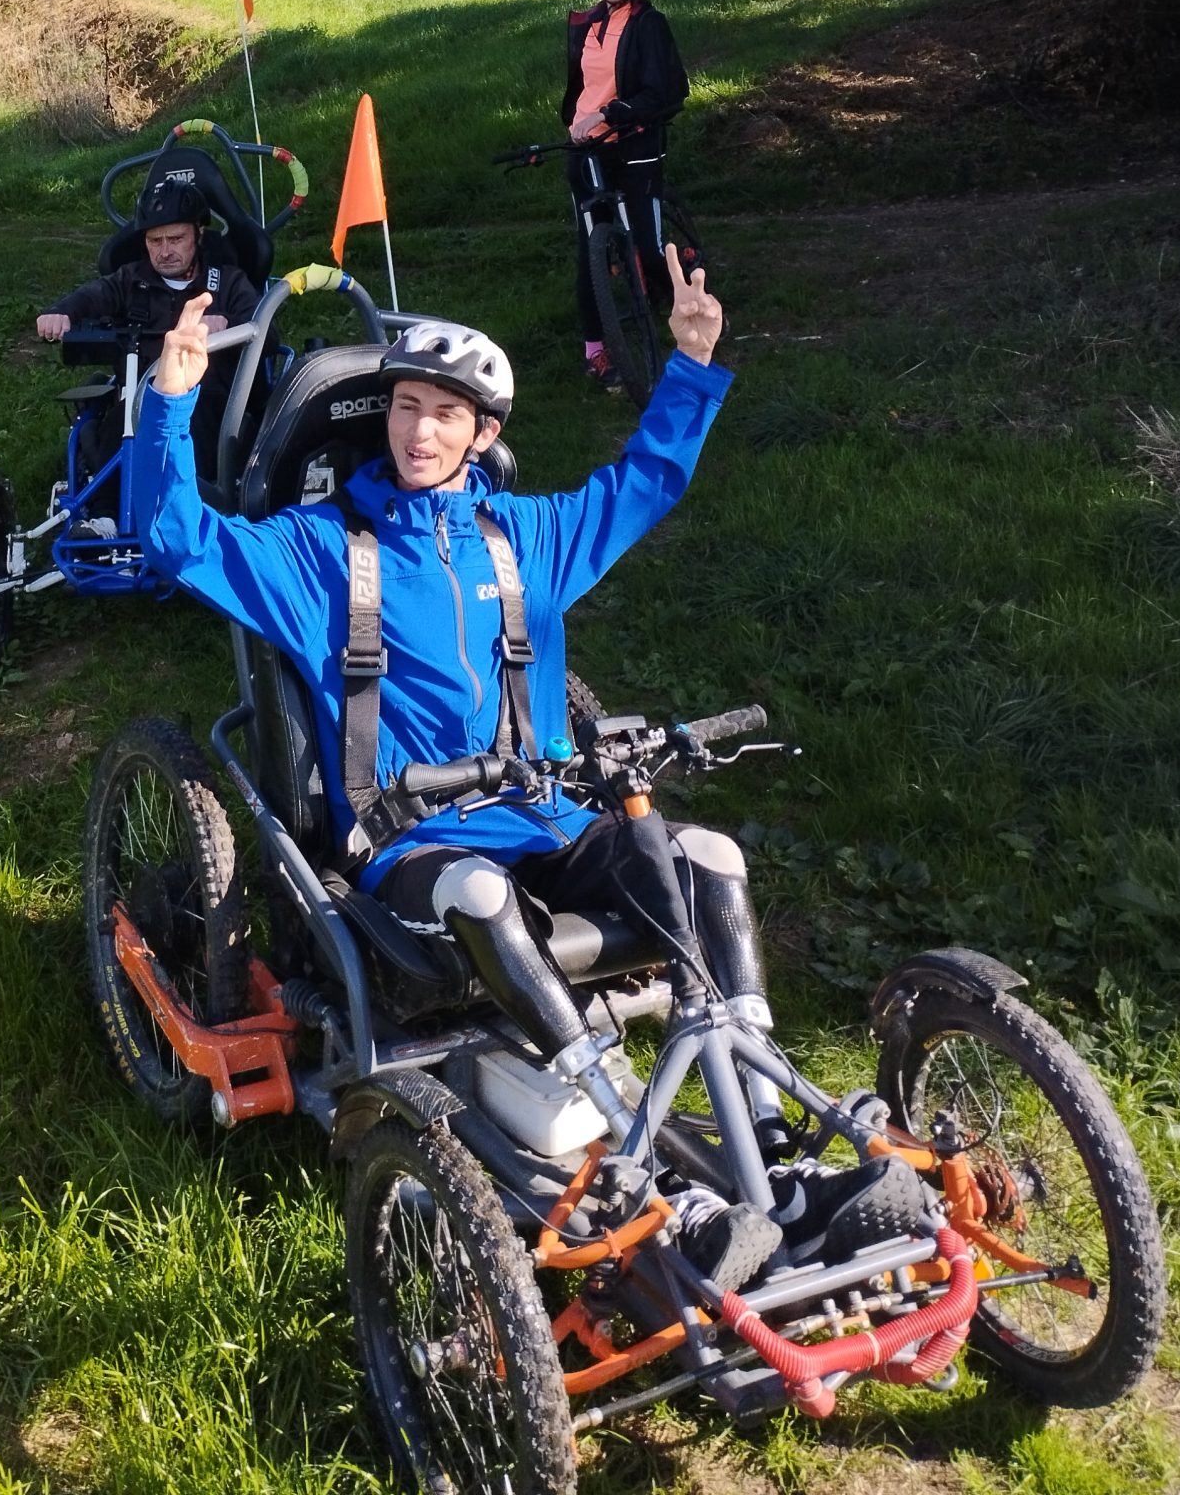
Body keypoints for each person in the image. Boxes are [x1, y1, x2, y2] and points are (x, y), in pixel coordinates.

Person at [133, 258, 778, 1284]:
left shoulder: (525, 538)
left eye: (444, 414)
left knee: (707, 855)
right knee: (480, 894)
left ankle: (768, 1128)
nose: (418, 432)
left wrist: (693, 361)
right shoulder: (318, 552)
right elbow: (175, 538)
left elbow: (644, 482)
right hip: (409, 842)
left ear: (483, 434)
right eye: (404, 407)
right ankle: (627, 1143)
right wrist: (168, 402)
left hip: (541, 818)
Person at [36, 180, 260, 506]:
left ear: (198, 234)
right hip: (142, 396)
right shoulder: (131, 280)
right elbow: (92, 296)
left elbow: (266, 334)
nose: (165, 251)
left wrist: (229, 325)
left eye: (176, 239)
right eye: (155, 241)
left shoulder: (228, 282)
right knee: (122, 421)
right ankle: (107, 519)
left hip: (208, 400)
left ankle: (191, 508)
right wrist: (61, 312)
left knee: (196, 421)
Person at [564, 0, 689, 390]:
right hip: (588, 149)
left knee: (649, 246)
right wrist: (575, 121)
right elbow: (581, 86)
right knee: (590, 252)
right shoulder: (586, 22)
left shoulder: (649, 24)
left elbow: (668, 91)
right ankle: (595, 351)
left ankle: (689, 307)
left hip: (635, 145)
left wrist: (611, 113)